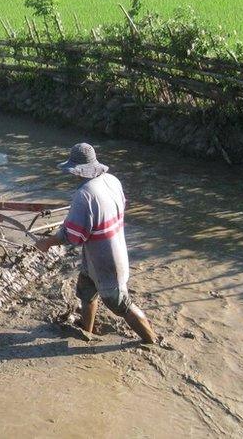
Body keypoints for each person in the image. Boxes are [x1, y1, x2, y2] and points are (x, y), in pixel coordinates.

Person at [34, 142, 158, 344]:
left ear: (76, 170)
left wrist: (47, 242)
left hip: (106, 261)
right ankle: (87, 332)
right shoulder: (112, 180)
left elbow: (74, 237)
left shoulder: (84, 194)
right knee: (86, 290)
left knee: (120, 304)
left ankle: (151, 341)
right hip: (106, 252)